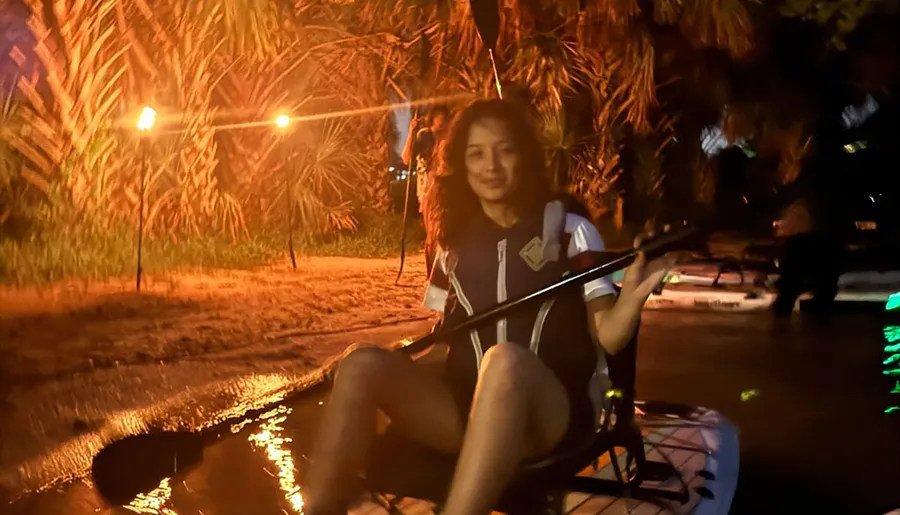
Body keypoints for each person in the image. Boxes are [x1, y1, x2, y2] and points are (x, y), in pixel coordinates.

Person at [304, 98, 675, 515]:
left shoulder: (571, 230)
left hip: (550, 417)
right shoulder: (452, 246)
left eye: (505, 150)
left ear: (524, 156)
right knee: (360, 363)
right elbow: (442, 345)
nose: (491, 166)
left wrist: (635, 293)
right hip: (464, 411)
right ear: (460, 164)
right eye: (476, 154)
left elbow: (607, 333)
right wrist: (394, 387)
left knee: (504, 362)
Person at [402, 106, 449, 276]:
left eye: (445, 120)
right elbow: (406, 158)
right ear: (433, 120)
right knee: (432, 232)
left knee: (444, 232)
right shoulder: (424, 136)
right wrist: (411, 133)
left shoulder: (448, 140)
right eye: (439, 120)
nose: (442, 124)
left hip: (445, 189)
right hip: (428, 190)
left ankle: (442, 271)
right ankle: (432, 273)